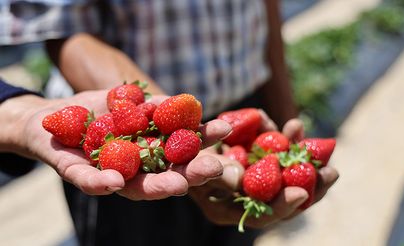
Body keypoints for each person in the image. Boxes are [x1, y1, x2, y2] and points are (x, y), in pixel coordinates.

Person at [0, 1, 339, 245]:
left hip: (243, 119)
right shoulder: (125, 130)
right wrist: (162, 130)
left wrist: (285, 114)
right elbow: (66, 29)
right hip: (137, 139)